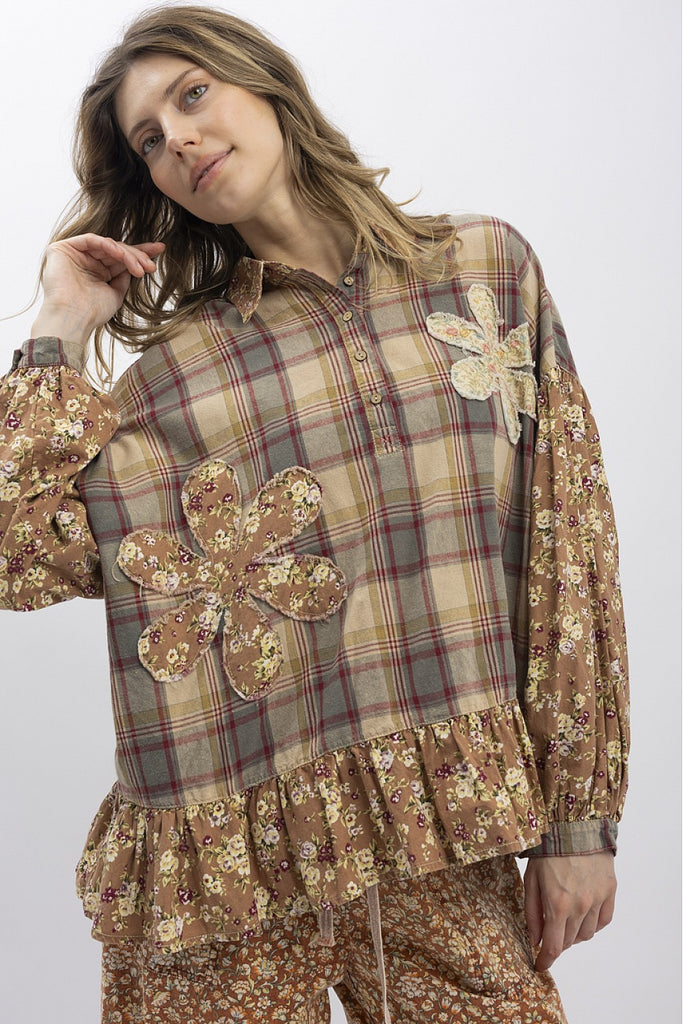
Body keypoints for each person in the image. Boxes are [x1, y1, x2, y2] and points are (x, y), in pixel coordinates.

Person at [0, 5, 630, 1023]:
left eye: (192, 95)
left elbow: (570, 552)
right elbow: (12, 552)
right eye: (149, 141)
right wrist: (60, 325)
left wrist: (578, 822)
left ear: (269, 87)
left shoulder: (481, 277)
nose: (178, 141)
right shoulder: (179, 379)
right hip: (224, 894)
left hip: (443, 849)